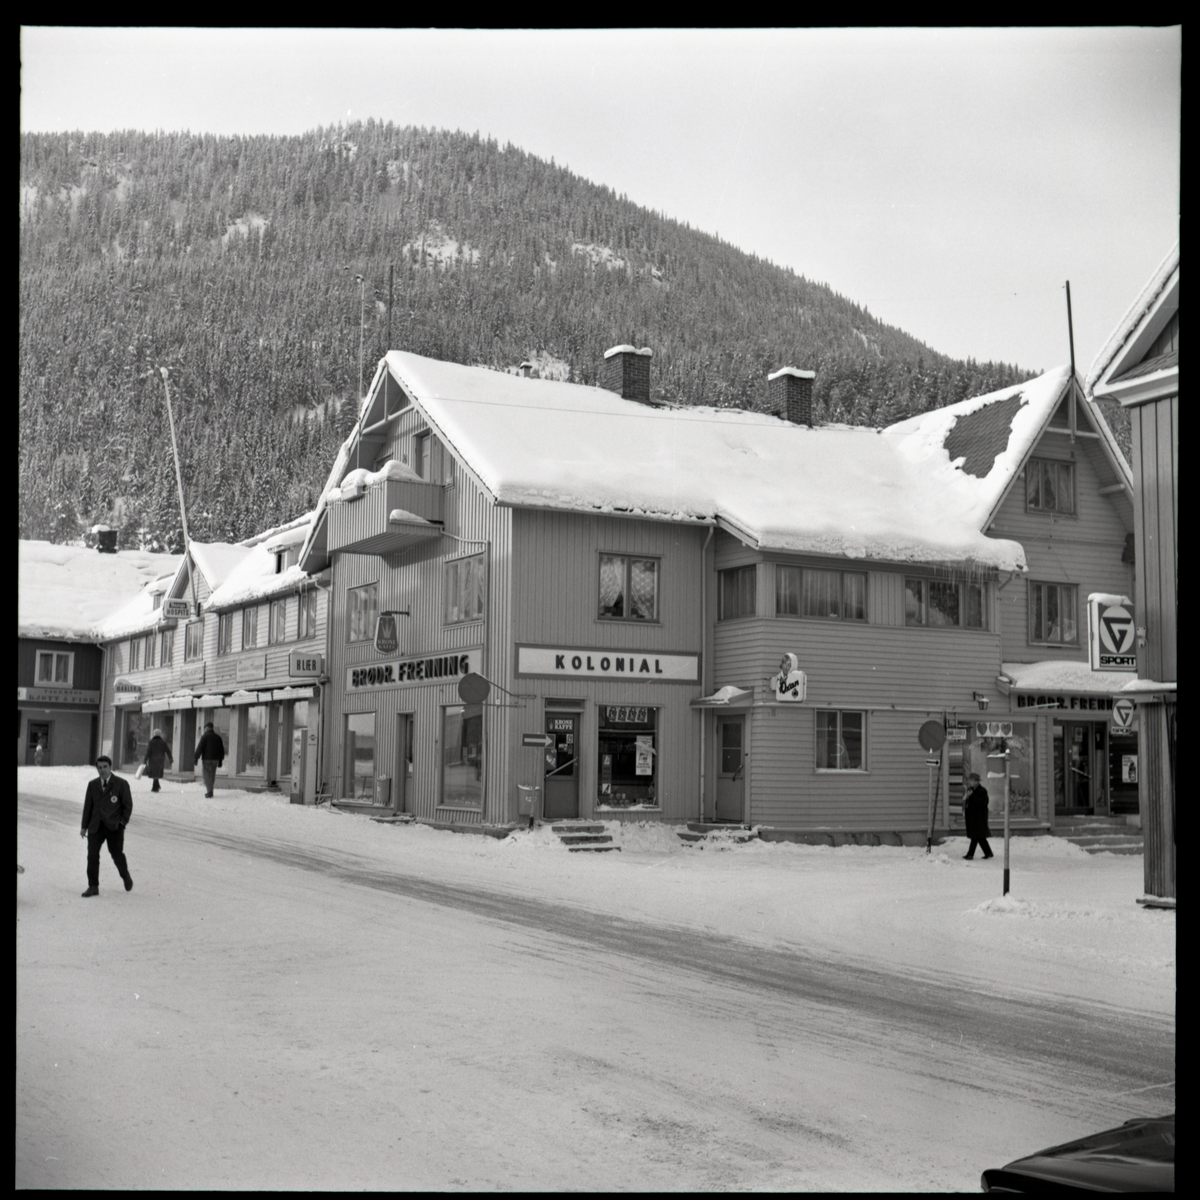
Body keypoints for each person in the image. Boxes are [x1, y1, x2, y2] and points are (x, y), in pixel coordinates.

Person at [80, 755, 134, 897]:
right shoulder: (92, 785)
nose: (102, 770)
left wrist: (122, 823)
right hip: (95, 826)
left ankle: (125, 876)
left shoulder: (121, 784)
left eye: (105, 767)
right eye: (100, 768)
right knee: (92, 856)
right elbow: (88, 807)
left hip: (114, 826)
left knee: (116, 855)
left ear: (110, 767)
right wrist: (84, 826)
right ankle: (93, 886)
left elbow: (127, 806)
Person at [962, 772, 994, 860]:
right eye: (970, 781)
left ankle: (970, 855)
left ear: (977, 782)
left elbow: (982, 803)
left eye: (971, 781)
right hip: (972, 817)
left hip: (979, 818)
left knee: (975, 837)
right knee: (980, 837)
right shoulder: (970, 790)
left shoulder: (982, 791)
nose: (970, 782)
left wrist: (971, 796)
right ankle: (988, 852)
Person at [194, 722, 225, 797]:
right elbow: (222, 750)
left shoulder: (204, 737)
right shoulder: (218, 737)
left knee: (207, 775)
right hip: (215, 759)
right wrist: (220, 760)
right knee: (212, 775)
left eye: (205, 729)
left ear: (207, 728)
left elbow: (199, 748)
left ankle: (209, 791)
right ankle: (210, 790)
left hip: (207, 759)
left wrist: (196, 758)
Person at [143, 729, 173, 793]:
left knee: (154, 773)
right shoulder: (163, 742)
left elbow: (148, 752)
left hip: (153, 760)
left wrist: (145, 760)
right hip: (160, 760)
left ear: (154, 734)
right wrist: (170, 758)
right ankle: (156, 786)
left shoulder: (151, 742)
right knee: (157, 773)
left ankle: (155, 787)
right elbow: (168, 751)